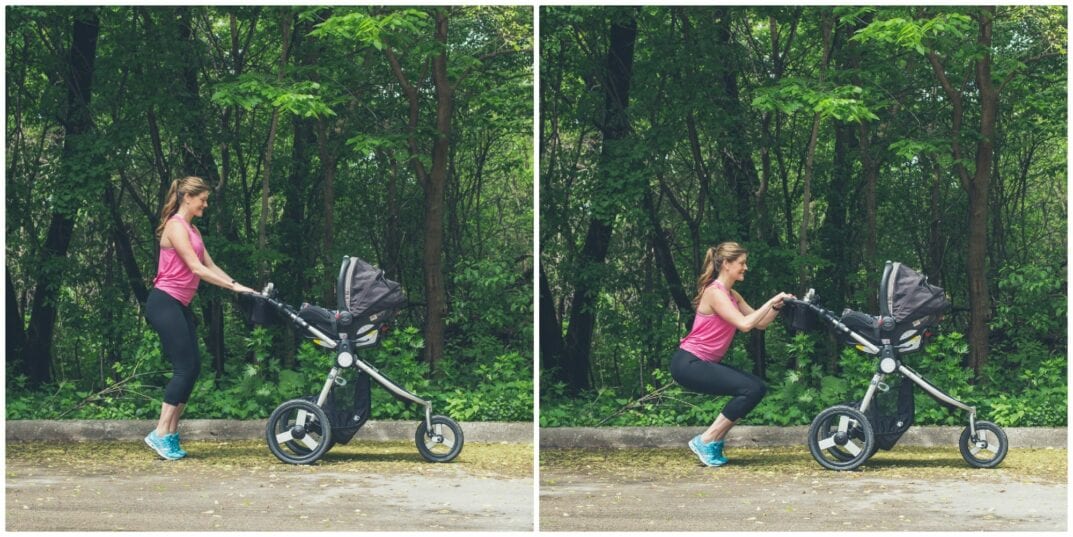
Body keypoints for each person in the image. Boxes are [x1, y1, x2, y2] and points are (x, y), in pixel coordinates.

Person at [144, 176, 256, 460]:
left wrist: (239, 286)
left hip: (178, 304)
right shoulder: (175, 226)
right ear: (187, 198)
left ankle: (169, 433)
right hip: (164, 302)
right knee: (184, 368)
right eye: (202, 199)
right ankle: (160, 432)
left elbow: (211, 264)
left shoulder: (193, 231)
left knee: (192, 368)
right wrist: (232, 287)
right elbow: (196, 268)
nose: (206, 204)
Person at [669, 242, 793, 467]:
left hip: (699, 362)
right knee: (751, 388)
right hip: (688, 362)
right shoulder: (714, 292)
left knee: (755, 388)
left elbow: (760, 323)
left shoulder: (731, 294)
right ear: (726, 264)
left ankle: (712, 441)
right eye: (742, 263)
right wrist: (771, 300)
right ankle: (707, 439)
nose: (746, 267)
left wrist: (776, 307)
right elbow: (745, 324)